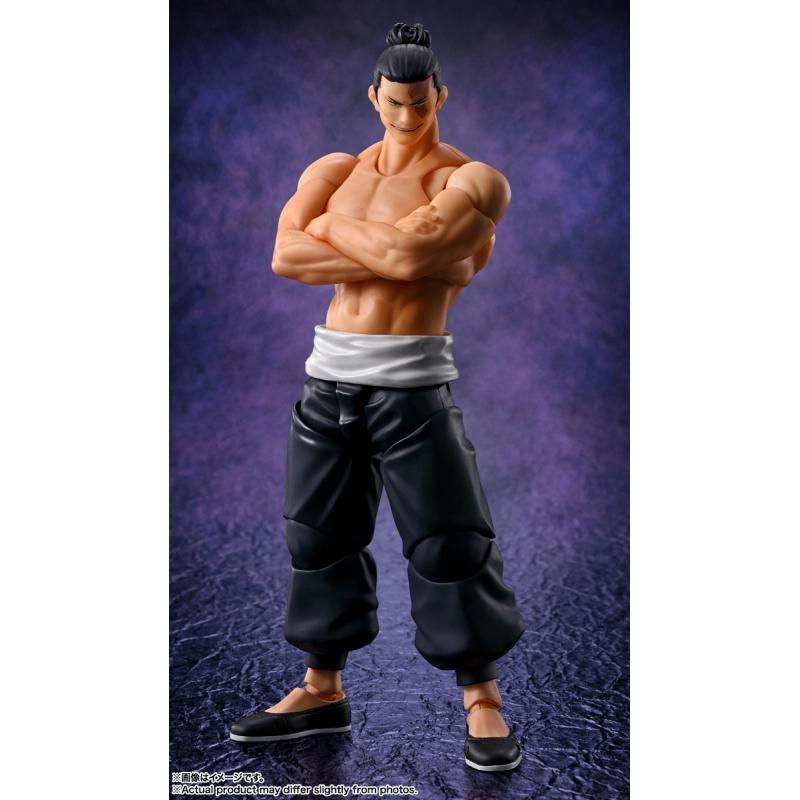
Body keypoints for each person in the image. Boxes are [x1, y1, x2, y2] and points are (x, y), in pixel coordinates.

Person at [230, 21, 526, 772]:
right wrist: (392, 250)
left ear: (440, 96)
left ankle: (482, 699)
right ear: (373, 97)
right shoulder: (334, 168)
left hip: (413, 387)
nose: (405, 115)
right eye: (393, 102)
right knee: (318, 540)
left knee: (450, 543)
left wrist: (336, 230)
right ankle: (320, 689)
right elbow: (286, 254)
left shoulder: (470, 181)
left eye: (419, 102)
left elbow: (407, 252)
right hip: (328, 379)